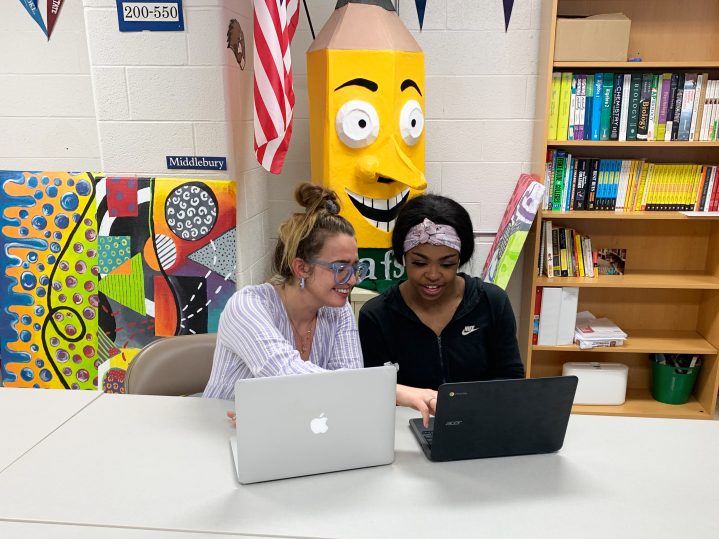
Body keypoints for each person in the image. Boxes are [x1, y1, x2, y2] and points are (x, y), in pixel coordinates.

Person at [203, 183, 438, 425]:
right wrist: (395, 390)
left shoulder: (339, 311)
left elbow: (347, 384)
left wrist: (276, 412)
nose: (354, 279)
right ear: (301, 268)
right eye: (341, 268)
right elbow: (286, 374)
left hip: (282, 429)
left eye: (356, 267)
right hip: (221, 433)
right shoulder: (247, 306)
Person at [358, 194, 525, 393]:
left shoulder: (491, 302)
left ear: (460, 259)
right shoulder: (377, 315)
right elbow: (373, 389)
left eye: (447, 264)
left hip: (479, 419)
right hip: (405, 421)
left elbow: (511, 377)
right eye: (419, 263)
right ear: (403, 257)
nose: (433, 275)